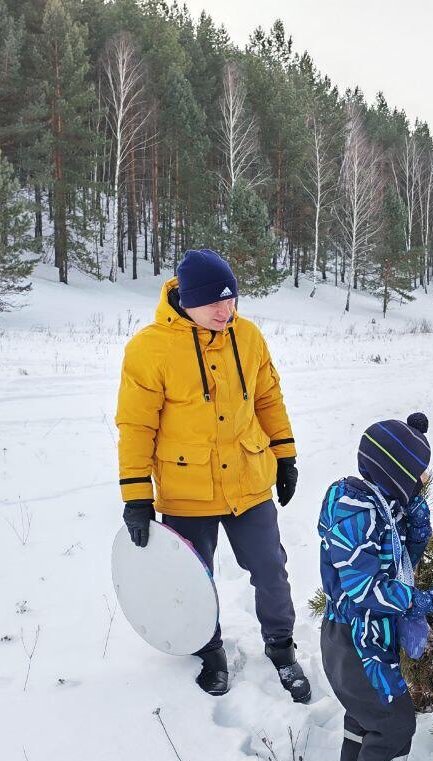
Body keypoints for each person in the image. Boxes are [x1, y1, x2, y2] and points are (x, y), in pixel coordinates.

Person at [115, 248, 309, 702]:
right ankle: (210, 651)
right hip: (186, 491)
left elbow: (268, 399)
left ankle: (281, 648)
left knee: (271, 569)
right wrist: (136, 496)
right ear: (187, 302)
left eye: (231, 299)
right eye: (214, 303)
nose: (226, 311)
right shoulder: (149, 349)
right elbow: (135, 426)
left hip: (248, 481)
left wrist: (285, 455)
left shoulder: (249, 336)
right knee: (192, 581)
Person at [317, 413, 433, 761]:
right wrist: (416, 601)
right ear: (396, 474)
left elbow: (397, 561)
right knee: (393, 722)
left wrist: (417, 527)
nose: (423, 481)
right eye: (418, 475)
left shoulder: (382, 505)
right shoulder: (356, 513)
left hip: (369, 636)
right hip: (354, 639)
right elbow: (364, 587)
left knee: (368, 714)